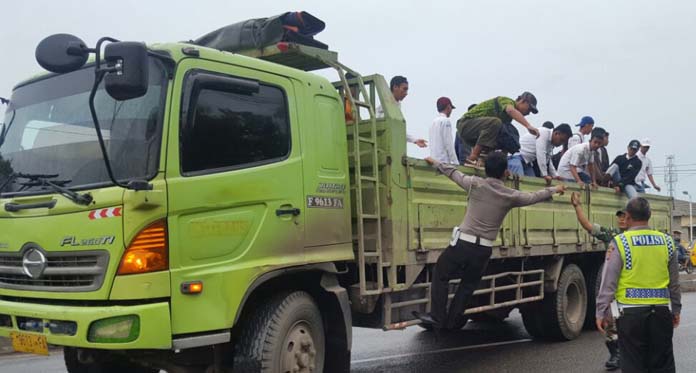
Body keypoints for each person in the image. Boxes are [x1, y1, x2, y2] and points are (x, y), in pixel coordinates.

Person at [414, 152, 566, 329]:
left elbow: (453, 173)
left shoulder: (475, 184)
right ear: (505, 172)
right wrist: (555, 189)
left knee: (441, 274)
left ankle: (438, 317)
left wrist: (435, 162)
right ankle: (452, 320)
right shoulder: (510, 195)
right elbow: (534, 196)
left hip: (462, 244)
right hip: (483, 250)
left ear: (485, 170)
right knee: (468, 285)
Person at [596, 197, 681, 373]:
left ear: (627, 216)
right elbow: (674, 282)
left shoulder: (620, 242)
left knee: (633, 364)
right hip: (661, 313)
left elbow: (608, 281)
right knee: (663, 365)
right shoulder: (667, 241)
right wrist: (676, 309)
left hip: (630, 315)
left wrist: (601, 311)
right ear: (649, 216)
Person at [571, 192, 627, 371]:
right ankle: (615, 354)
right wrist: (577, 206)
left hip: (632, 290)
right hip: (615, 289)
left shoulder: (640, 237)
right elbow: (588, 226)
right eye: (619, 217)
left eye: (625, 217)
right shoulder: (613, 235)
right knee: (611, 323)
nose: (621, 220)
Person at [457, 92, 540, 165]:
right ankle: (472, 158)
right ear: (523, 101)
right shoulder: (506, 101)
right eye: (529, 109)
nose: (529, 113)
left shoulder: (507, 119)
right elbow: (510, 111)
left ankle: (486, 162)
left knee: (507, 136)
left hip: (474, 135)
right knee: (496, 122)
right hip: (465, 125)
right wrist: (528, 126)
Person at [376, 76, 427, 147]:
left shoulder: (397, 105)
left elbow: (398, 129)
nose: (406, 93)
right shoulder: (386, 105)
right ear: (395, 87)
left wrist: (414, 140)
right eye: (404, 89)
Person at [429, 97, 458, 164]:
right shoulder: (446, 121)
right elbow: (449, 144)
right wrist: (456, 162)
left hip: (434, 160)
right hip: (444, 161)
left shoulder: (433, 122)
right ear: (448, 107)